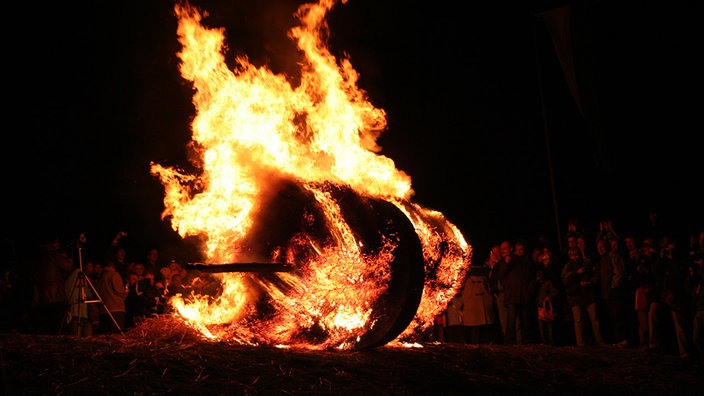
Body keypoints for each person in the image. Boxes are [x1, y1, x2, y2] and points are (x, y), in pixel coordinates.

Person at [28, 234, 75, 335]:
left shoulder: (36, 257)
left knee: (44, 331)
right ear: (53, 243)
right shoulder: (53, 255)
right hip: (56, 298)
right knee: (57, 329)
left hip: (40, 299)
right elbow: (68, 267)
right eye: (57, 242)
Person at [561, 246, 604, 347]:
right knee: (578, 321)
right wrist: (577, 273)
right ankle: (580, 343)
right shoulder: (568, 266)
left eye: (576, 255)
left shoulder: (587, 263)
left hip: (588, 295)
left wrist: (589, 282)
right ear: (569, 256)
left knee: (594, 319)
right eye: (572, 255)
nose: (575, 257)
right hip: (575, 297)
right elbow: (565, 279)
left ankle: (600, 341)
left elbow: (596, 275)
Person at [497, 239, 533, 344]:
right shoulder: (505, 262)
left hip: (522, 295)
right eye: (501, 249)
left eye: (505, 248)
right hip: (512, 296)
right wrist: (507, 263)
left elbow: (527, 276)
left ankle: (525, 342)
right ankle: (509, 342)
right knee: (511, 321)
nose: (503, 251)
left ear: (511, 249)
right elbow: (501, 275)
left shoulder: (521, 260)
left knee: (524, 320)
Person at [596, 237, 629, 347]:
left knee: (618, 315)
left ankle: (623, 339)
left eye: (602, 247)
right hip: (607, 292)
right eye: (598, 247)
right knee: (612, 316)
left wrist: (613, 286)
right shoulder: (602, 260)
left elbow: (619, 272)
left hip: (615, 291)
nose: (600, 249)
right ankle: (618, 339)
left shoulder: (613, 256)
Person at [461, 263, 496, 344]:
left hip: (482, 304)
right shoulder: (465, 277)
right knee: (475, 329)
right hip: (472, 304)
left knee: (482, 329)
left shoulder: (484, 275)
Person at [96, 260, 128, 334]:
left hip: (104, 310)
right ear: (112, 267)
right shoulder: (114, 275)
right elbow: (120, 291)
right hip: (116, 309)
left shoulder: (100, 278)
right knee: (116, 335)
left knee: (107, 335)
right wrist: (126, 293)